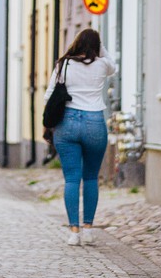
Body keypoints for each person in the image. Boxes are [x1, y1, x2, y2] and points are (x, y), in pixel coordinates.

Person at [44, 28, 116, 246]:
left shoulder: (63, 64)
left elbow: (49, 95)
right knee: (91, 178)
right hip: (94, 122)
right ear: (97, 46)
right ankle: (88, 229)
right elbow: (113, 65)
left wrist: (47, 125)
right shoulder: (102, 64)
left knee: (72, 179)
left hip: (67, 122)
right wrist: (101, 47)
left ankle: (74, 232)